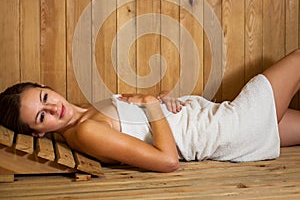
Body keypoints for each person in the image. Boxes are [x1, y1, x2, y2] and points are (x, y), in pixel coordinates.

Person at [0, 49, 300, 173]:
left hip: (214, 117)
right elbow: (167, 160)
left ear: (45, 85)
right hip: (228, 127)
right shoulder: (86, 131)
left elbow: (148, 120)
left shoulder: (86, 113)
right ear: (38, 132)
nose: (54, 107)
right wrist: (153, 106)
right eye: (42, 116)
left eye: (44, 97)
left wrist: (163, 101)